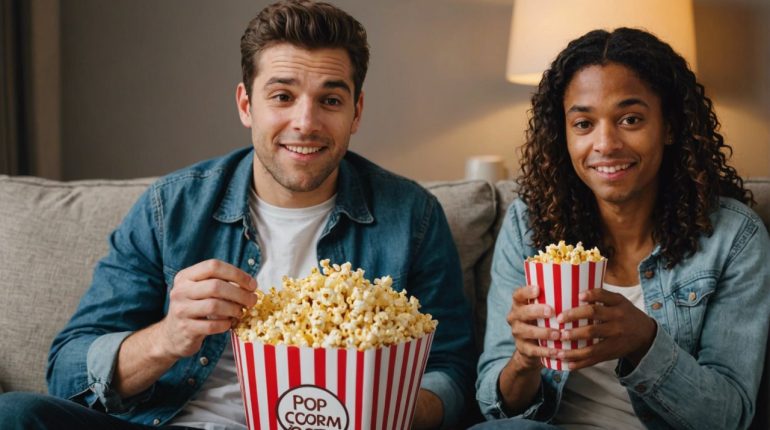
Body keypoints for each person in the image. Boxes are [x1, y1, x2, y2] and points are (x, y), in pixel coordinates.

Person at [0, 1, 474, 429]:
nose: (305, 122)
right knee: (16, 414)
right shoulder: (172, 209)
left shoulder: (412, 217)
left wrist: (385, 410)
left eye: (330, 99)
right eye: (282, 96)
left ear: (356, 111)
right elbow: (67, 369)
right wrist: (169, 337)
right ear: (247, 105)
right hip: (173, 422)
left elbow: (451, 370)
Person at [474, 27, 770, 430]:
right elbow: (497, 409)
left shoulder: (733, 238)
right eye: (583, 124)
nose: (606, 143)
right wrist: (524, 359)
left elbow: (729, 417)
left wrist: (644, 342)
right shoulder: (530, 225)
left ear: (669, 126)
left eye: (630, 119)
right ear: (563, 134)